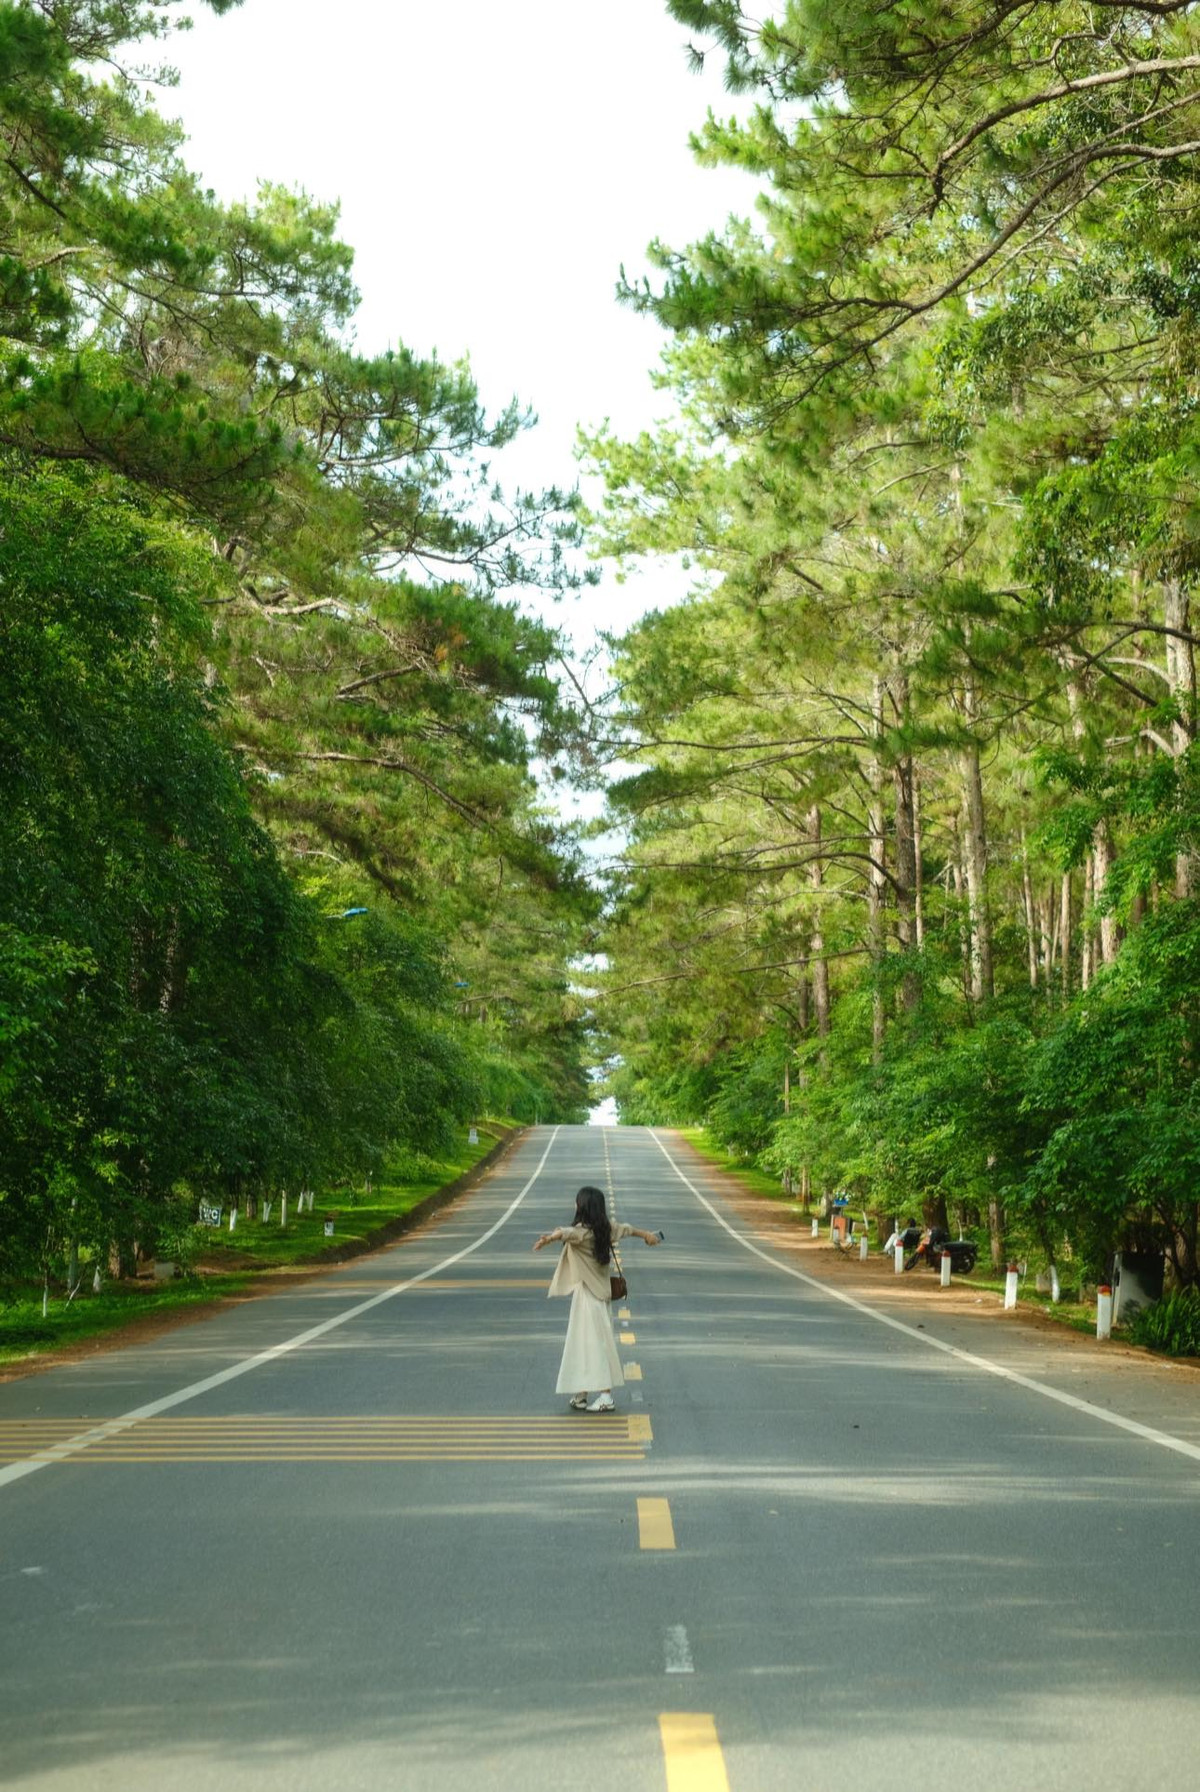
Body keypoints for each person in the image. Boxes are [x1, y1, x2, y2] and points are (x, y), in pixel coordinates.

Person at [533, 1184, 660, 1412]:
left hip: (588, 1298)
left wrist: (549, 1239)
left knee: (595, 1345)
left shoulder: (582, 1232)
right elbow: (628, 1229)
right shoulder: (605, 1229)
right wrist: (648, 1236)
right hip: (598, 1297)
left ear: (582, 1207)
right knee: (584, 1344)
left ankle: (605, 1396)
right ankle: (582, 1393)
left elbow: (565, 1232)